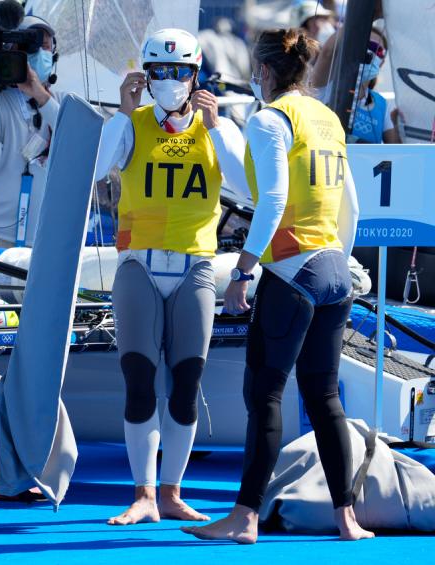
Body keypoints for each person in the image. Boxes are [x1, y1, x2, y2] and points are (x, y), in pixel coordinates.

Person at [181, 28, 373, 544]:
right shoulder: (327, 118)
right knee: (325, 397)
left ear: (264, 73)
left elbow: (269, 200)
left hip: (292, 274)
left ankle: (244, 517)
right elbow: (350, 203)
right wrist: (342, 260)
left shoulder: (269, 119)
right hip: (333, 270)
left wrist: (243, 271)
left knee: (264, 394)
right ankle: (347, 518)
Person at [95, 28, 250, 525]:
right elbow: (96, 171)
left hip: (196, 266)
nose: (168, 81)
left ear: (195, 75)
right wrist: (121, 113)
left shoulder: (216, 127)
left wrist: (218, 124)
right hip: (139, 264)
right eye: (158, 72)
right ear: (145, 74)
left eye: (178, 71)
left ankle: (170, 490)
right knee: (139, 379)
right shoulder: (131, 124)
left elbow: (245, 186)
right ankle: (142, 493)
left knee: (186, 382)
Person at [0, 14, 62, 249]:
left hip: (41, 239)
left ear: (54, 55)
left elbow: (76, 144)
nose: (37, 54)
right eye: (28, 46)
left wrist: (40, 95)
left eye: (44, 46)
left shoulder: (60, 102)